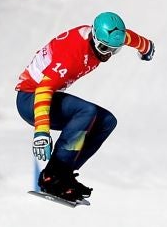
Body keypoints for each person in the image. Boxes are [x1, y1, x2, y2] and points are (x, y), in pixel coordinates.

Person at [15, 11, 155, 202]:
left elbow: (128, 37)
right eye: (105, 48)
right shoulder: (71, 53)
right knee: (86, 112)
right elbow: (44, 89)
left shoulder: (101, 37)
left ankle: (64, 174)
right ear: (95, 38)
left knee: (106, 121)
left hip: (46, 96)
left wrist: (146, 47)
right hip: (31, 99)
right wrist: (41, 130)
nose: (108, 55)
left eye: (115, 50)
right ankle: (52, 176)